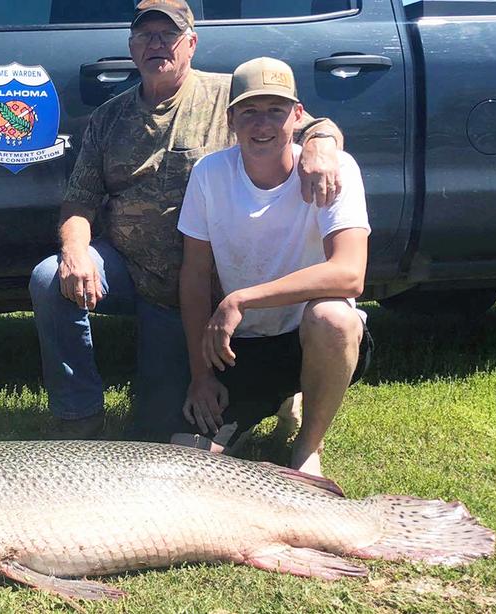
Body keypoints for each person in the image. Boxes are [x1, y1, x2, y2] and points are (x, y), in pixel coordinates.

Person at [28, 0, 344, 441]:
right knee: (48, 279)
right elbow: (79, 202)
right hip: (130, 272)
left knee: (159, 431)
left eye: (168, 35)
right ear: (132, 47)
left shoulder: (230, 97)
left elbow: (306, 124)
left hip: (206, 285)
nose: (157, 44)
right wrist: (75, 250)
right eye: (146, 36)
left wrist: (322, 146)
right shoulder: (108, 118)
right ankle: (78, 413)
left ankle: (281, 387)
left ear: (191, 43)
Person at [175, 57, 373, 477]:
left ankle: (307, 447)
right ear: (230, 119)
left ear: (298, 116)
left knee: (333, 316)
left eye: (275, 111)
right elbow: (193, 276)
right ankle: (279, 396)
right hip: (242, 346)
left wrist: (241, 299)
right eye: (248, 111)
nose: (261, 124)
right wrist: (200, 374)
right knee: (188, 456)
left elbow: (350, 273)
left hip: (309, 333)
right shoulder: (210, 174)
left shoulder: (338, 170)